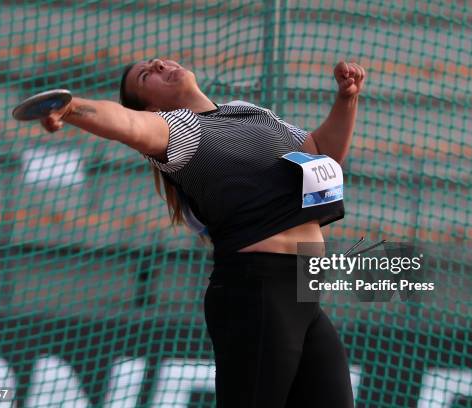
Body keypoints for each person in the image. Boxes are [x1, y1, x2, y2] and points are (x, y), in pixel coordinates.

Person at [40, 57, 364, 407]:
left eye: (156, 62)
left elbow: (322, 153)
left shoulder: (245, 111)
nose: (161, 66)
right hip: (257, 292)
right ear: (151, 107)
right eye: (148, 75)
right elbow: (126, 121)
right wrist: (72, 107)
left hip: (304, 293)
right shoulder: (177, 129)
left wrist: (347, 98)